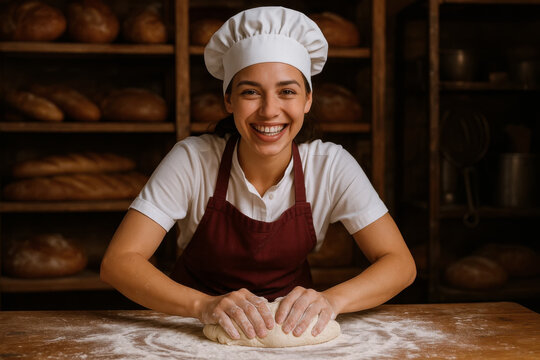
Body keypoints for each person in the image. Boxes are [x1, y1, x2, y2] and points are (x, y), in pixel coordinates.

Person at [100, 6, 416, 342]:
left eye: (287, 92)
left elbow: (399, 263)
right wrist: (204, 306)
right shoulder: (192, 160)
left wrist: (330, 300)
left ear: (308, 100)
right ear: (229, 100)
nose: (269, 110)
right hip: (189, 331)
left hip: (290, 333)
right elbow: (119, 261)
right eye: (251, 92)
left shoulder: (330, 166)